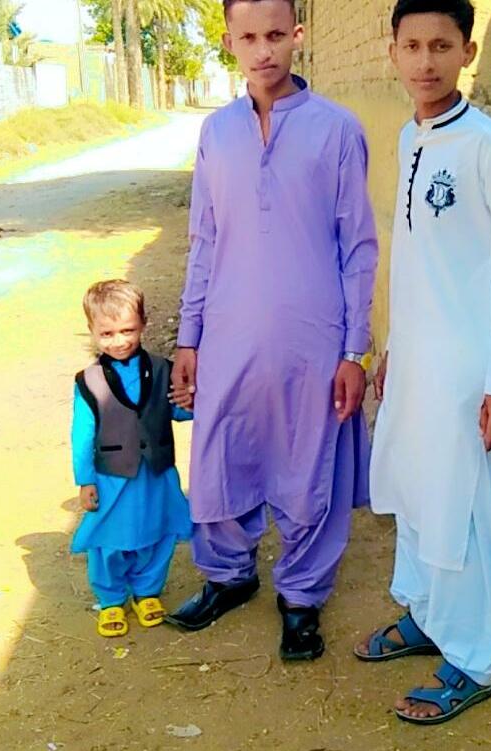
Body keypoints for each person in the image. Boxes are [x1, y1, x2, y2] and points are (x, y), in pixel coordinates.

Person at [165, 0, 378, 661]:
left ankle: (302, 598)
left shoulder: (336, 129)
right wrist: (189, 336)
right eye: (250, 37)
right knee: (221, 453)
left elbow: (358, 246)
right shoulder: (217, 132)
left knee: (311, 462)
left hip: (313, 337)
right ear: (229, 41)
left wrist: (354, 349)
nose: (264, 50)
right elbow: (204, 239)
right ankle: (228, 576)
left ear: (298, 36)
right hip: (227, 332)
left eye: (277, 35)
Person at [357, 0, 491, 723]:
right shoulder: (411, 136)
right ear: (393, 53)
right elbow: (417, 261)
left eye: (442, 45)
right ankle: (428, 615)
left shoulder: (488, 146)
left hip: (468, 366)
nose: (426, 61)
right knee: (415, 489)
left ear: (467, 51)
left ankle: (472, 657)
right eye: (412, 46)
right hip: (417, 360)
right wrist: (394, 349)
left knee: (458, 505)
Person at [71, 280, 193, 637]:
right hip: (112, 478)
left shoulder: (163, 369)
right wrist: (85, 480)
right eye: (107, 334)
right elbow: (82, 436)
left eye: (128, 330)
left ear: (143, 324)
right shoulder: (88, 381)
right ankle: (111, 598)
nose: (119, 341)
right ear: (92, 330)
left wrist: (190, 403)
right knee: (109, 541)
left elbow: (175, 410)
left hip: (156, 474)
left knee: (158, 534)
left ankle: (147, 591)